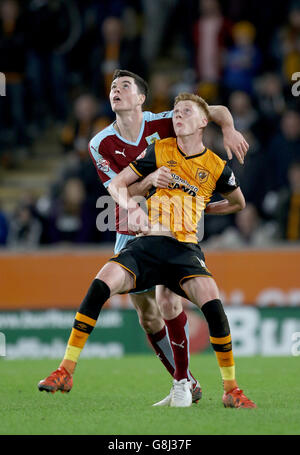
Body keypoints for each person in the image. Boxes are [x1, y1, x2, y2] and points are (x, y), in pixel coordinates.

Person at [38, 70, 249, 404]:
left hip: (173, 228)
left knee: (168, 301)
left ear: (140, 99)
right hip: (132, 229)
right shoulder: (100, 143)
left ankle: (187, 383)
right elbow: (118, 189)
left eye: (125, 86)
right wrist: (143, 194)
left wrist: (229, 129)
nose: (116, 90)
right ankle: (187, 382)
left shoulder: (164, 122)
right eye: (112, 87)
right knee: (147, 315)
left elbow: (216, 111)